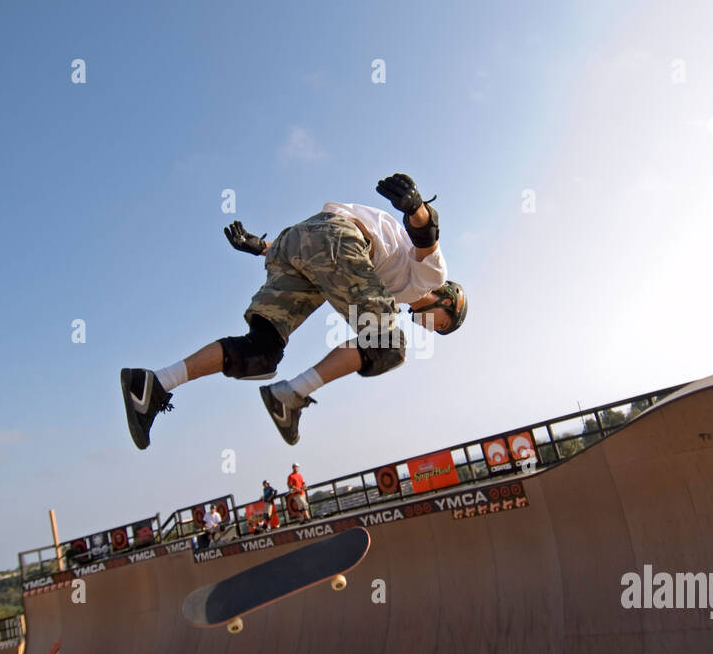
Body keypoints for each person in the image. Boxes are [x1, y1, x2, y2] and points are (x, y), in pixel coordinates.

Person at [121, 173, 468, 448]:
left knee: (261, 352)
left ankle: (155, 383)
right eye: (440, 326)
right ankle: (290, 395)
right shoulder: (431, 279)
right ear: (448, 302)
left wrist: (262, 248)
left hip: (299, 242)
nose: (430, 329)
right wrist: (415, 206)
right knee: (389, 345)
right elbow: (427, 241)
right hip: (341, 238)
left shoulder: (395, 290)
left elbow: (314, 249)